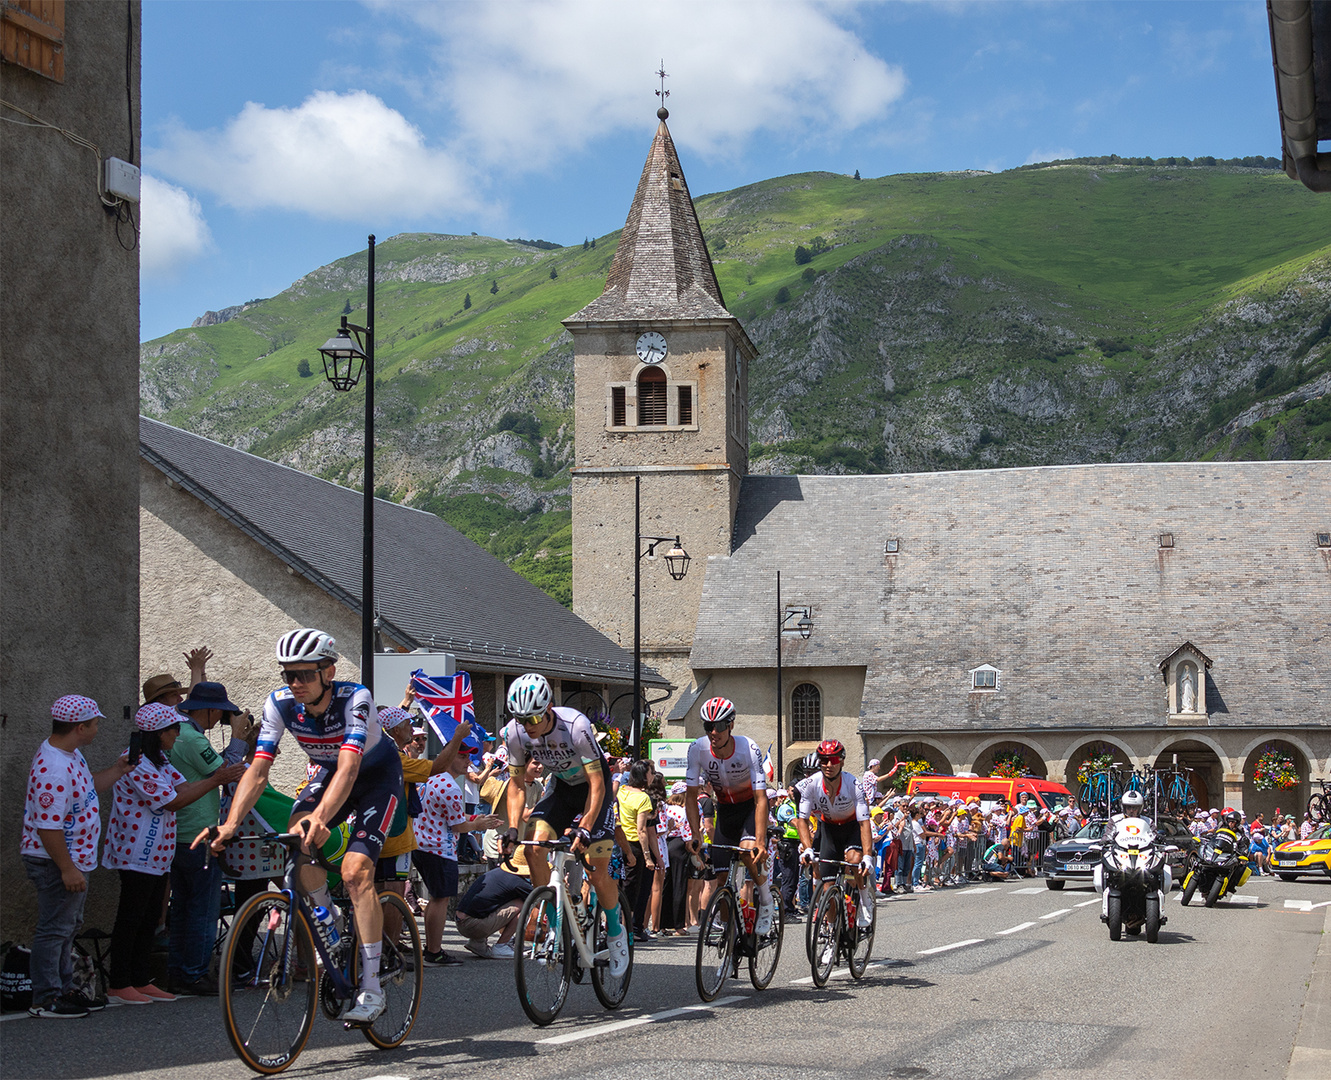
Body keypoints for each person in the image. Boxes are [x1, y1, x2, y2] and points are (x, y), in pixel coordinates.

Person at [197, 628, 402, 1025]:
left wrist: (322, 818)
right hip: (329, 774)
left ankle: (373, 988)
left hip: (374, 778)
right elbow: (258, 771)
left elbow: (350, 766)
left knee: (356, 872)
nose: (296, 683)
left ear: (329, 671)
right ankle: (328, 917)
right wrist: (230, 825)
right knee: (296, 838)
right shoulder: (280, 704)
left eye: (305, 674)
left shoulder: (354, 699)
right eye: (288, 674)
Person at [104, 703, 244, 1006]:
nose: (177, 734)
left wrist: (216, 778)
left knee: (150, 917)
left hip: (157, 853)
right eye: (173, 729)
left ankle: (140, 979)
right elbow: (171, 801)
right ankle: (119, 981)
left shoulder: (161, 761)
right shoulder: (135, 761)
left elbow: (184, 787)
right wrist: (217, 779)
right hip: (135, 851)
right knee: (131, 916)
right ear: (159, 733)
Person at [498, 673, 630, 977]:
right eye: (521, 718)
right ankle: (556, 926)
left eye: (533, 717)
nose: (528, 726)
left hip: (593, 790)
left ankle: (615, 931)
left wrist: (585, 827)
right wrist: (514, 829)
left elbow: (597, 784)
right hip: (560, 788)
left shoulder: (576, 726)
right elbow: (516, 785)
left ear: (549, 708)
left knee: (596, 868)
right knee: (533, 850)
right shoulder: (514, 733)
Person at [20, 696, 131, 1018]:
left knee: (67, 927)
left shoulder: (71, 756)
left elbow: (88, 787)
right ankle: (46, 998)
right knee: (54, 929)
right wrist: (68, 869)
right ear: (80, 727)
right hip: (56, 861)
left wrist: (118, 770)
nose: (97, 730)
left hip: (73, 860)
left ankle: (65, 989)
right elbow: (47, 826)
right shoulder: (53, 768)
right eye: (95, 724)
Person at [167, 680, 251, 995]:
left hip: (178, 834)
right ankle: (194, 972)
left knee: (182, 906)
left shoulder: (180, 733)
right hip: (198, 834)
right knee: (203, 908)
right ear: (210, 710)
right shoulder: (191, 738)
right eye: (221, 713)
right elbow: (228, 770)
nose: (221, 720)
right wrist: (239, 738)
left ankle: (178, 970)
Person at [683, 697, 775, 935]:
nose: (714, 732)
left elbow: (761, 798)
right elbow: (691, 797)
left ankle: (766, 900)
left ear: (731, 725)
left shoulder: (748, 748)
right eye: (708, 726)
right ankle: (729, 932)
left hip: (749, 808)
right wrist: (696, 834)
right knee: (721, 879)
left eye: (720, 726)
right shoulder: (697, 749)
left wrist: (761, 842)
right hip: (725, 810)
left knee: (747, 851)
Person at [412, 733, 504, 964]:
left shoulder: (431, 778)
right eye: (462, 756)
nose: (468, 762)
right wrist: (478, 823)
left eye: (468, 757)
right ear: (449, 756)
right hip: (438, 848)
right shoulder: (450, 787)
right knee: (440, 899)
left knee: (437, 898)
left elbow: (448, 816)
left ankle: (432, 948)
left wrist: (475, 818)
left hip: (422, 844)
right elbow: (459, 825)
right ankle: (433, 950)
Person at [794, 740, 875, 929]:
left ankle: (864, 901)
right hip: (829, 829)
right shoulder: (811, 784)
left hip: (852, 827)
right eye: (824, 760)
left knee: (854, 859)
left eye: (834, 760)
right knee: (827, 885)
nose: (829, 765)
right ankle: (831, 932)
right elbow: (802, 820)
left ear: (842, 762)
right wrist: (807, 849)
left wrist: (868, 856)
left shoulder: (853, 784)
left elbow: (864, 823)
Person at [617, 759, 659, 942]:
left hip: (618, 841)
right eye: (651, 772)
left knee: (619, 886)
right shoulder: (643, 798)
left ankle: (615, 927)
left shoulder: (622, 791)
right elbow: (641, 830)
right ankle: (626, 932)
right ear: (644, 775)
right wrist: (648, 856)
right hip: (634, 845)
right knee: (631, 890)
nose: (653, 776)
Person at [454, 867, 532, 958]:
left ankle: (478, 942)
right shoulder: (518, 882)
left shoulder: (499, 872)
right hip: (473, 925)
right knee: (524, 904)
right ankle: (502, 946)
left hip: (461, 921)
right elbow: (540, 901)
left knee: (498, 899)